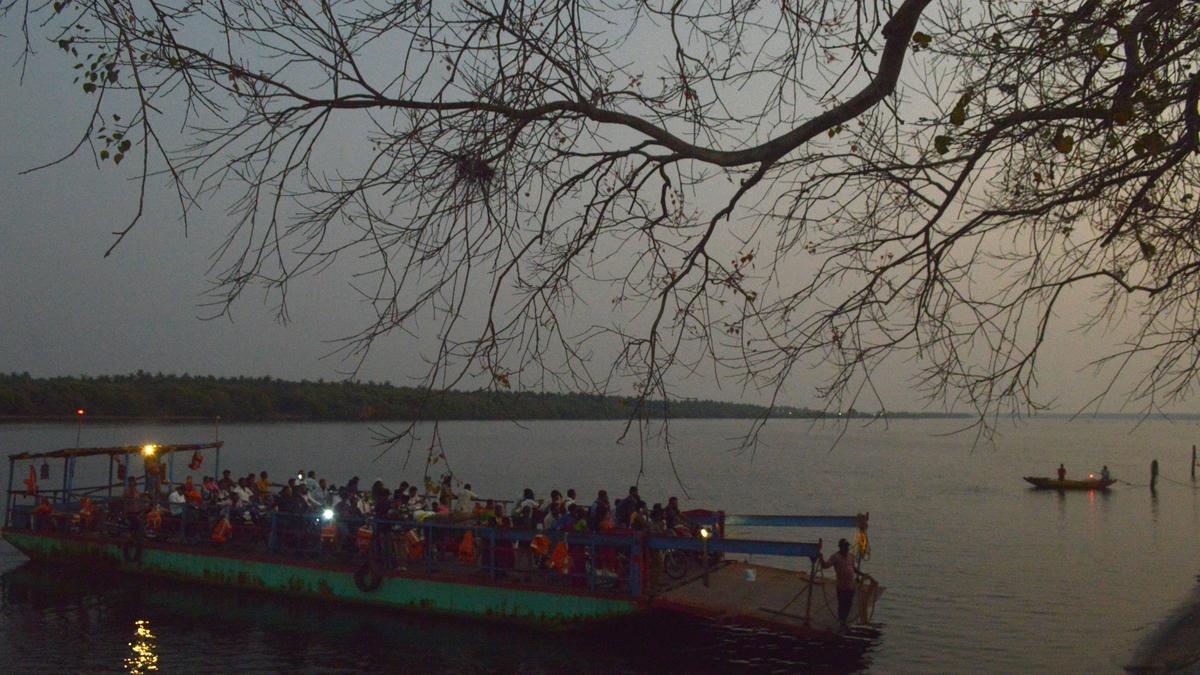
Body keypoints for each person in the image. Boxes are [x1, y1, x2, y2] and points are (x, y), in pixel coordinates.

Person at [820, 538, 860, 628]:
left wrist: (862, 574)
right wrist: (821, 558)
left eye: (847, 546)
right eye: (844, 546)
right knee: (842, 603)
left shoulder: (851, 556)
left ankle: (844, 620)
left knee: (848, 604)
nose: (846, 548)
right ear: (840, 547)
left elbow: (854, 568)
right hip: (841, 586)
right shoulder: (835, 557)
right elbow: (825, 566)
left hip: (851, 585)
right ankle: (841, 619)